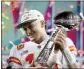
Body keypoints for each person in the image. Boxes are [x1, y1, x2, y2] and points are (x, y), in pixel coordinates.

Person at [6, 10, 82, 69]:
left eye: (31, 26)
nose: (28, 32)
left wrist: (65, 50)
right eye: (25, 29)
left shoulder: (65, 42)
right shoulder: (16, 50)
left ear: (42, 23)